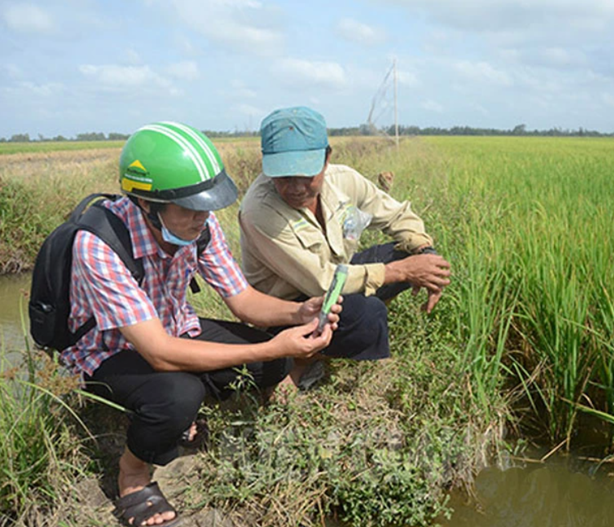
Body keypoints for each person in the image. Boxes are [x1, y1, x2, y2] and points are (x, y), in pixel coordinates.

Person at [61, 121, 340, 527]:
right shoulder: (99, 244)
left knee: (271, 366)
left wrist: (298, 314)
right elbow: (157, 351)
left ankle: (179, 416)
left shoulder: (199, 227)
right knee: (177, 394)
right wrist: (274, 345)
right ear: (147, 205)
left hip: (174, 329)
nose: (202, 217)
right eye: (190, 208)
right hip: (107, 351)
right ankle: (133, 475)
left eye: (206, 206)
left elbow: (244, 302)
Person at [238, 106, 451, 379]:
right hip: (291, 308)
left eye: (306, 175)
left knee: (402, 254)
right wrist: (404, 271)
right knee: (368, 312)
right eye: (284, 177)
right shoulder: (260, 211)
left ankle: (340, 338)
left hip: (337, 277)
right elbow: (321, 281)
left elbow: (396, 216)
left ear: (326, 159)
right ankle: (300, 360)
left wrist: (426, 255)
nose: (295, 188)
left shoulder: (344, 181)